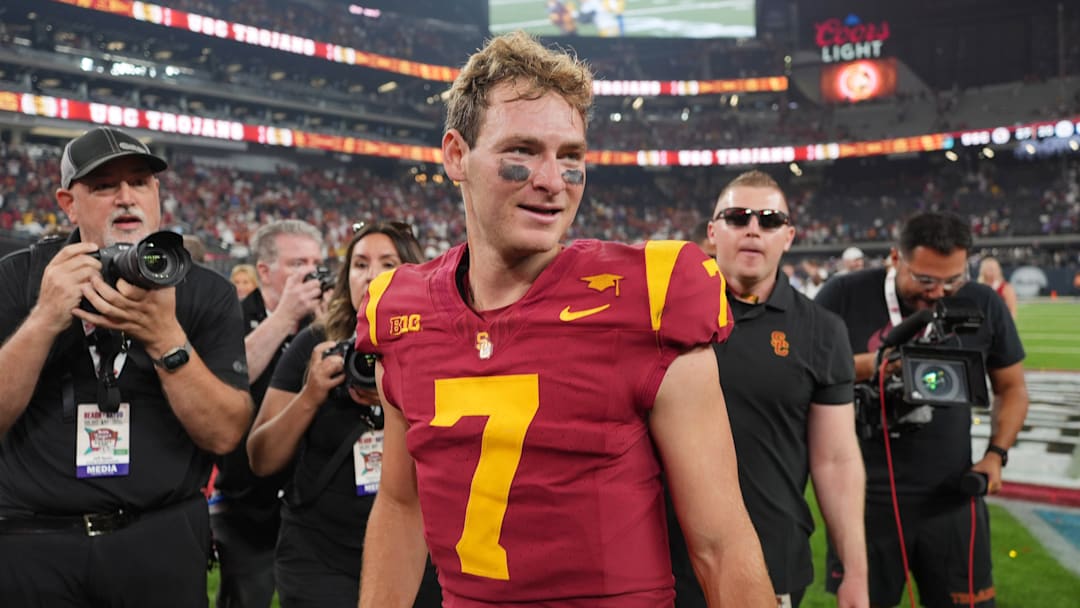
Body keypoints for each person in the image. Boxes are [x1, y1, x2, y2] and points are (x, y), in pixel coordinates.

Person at [356, 31, 773, 607]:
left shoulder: (649, 297)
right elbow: (402, 505)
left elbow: (721, 544)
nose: (552, 181)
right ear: (456, 155)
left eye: (570, 156)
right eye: (521, 152)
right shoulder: (400, 310)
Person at [0, 126, 252, 605]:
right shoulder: (19, 277)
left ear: (157, 193)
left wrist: (165, 339)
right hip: (33, 542)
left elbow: (225, 434)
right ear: (68, 203)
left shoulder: (205, 291)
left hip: (159, 539)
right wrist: (45, 318)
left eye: (139, 182)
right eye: (103, 186)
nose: (126, 197)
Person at [668, 170, 868, 608]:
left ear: (789, 236)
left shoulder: (822, 331)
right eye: (738, 217)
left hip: (768, 560)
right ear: (712, 232)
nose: (754, 228)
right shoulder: (663, 313)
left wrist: (854, 571)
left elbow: (835, 459)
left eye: (770, 220)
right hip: (661, 562)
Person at [815, 212, 1029, 608]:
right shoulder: (842, 295)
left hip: (952, 496)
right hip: (863, 499)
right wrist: (873, 365)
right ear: (896, 258)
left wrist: (996, 455)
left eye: (953, 280)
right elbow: (802, 375)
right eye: (925, 280)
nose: (938, 293)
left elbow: (1013, 387)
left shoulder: (981, 301)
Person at [247, 221, 441, 607]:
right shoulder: (314, 344)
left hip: (415, 551)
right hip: (320, 554)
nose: (371, 276)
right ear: (345, 275)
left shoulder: (440, 345)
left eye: (388, 263)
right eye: (360, 264)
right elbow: (261, 457)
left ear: (413, 272)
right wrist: (312, 393)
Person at [212, 219, 325, 608]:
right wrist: (284, 318)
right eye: (296, 263)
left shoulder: (324, 324)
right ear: (264, 271)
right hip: (247, 503)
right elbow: (226, 379)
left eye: (315, 262)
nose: (309, 273)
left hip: (312, 502)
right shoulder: (228, 314)